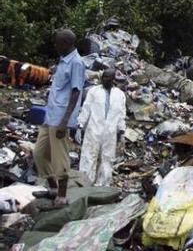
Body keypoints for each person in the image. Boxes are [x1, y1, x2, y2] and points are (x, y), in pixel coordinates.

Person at [34, 29, 84, 206]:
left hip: (61, 119)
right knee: (39, 153)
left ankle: (61, 195)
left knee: (59, 158)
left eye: (57, 43)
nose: (55, 46)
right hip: (50, 116)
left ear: (65, 43)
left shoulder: (76, 63)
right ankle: (53, 187)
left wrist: (65, 122)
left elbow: (76, 91)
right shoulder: (63, 61)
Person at [78, 68, 126, 186]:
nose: (105, 80)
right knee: (89, 156)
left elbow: (121, 114)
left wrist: (121, 131)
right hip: (93, 129)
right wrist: (80, 125)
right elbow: (86, 108)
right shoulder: (93, 91)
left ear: (113, 79)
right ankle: (85, 184)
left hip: (110, 131)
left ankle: (102, 185)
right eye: (103, 77)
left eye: (108, 77)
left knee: (107, 159)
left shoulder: (119, 95)